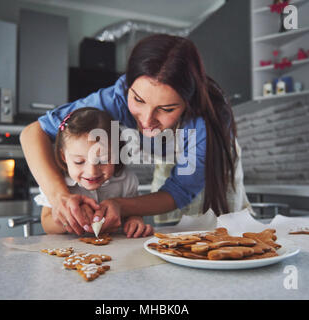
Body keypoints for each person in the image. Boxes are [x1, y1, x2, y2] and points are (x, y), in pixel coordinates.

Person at [20, 33, 252, 236]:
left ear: (187, 103)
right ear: (127, 86)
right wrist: (59, 196)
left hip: (213, 172)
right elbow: (33, 133)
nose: (147, 120)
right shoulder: (115, 98)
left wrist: (123, 206)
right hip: (167, 163)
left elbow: (181, 189)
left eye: (167, 109)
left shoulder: (203, 123)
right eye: (138, 100)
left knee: (220, 235)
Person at [34, 107, 153, 238]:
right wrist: (70, 220)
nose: (92, 171)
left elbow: (133, 211)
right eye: (79, 161)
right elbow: (46, 223)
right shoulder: (55, 182)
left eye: (103, 160)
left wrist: (135, 220)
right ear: (64, 157)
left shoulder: (125, 179)